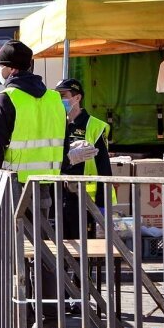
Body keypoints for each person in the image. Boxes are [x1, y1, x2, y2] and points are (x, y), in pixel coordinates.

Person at [0, 40, 67, 328]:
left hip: (14, 189)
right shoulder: (56, 99)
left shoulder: (5, 99)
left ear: (10, 68)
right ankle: (51, 318)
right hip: (45, 188)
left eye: (0, 65)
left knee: (15, 256)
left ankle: (23, 321)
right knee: (41, 253)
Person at [55, 78, 112, 240]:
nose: (59, 99)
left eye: (63, 95)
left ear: (77, 98)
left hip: (83, 198)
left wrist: (102, 203)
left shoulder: (94, 126)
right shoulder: (56, 123)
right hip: (59, 193)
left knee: (81, 245)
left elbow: (104, 167)